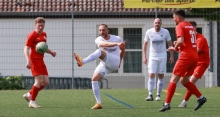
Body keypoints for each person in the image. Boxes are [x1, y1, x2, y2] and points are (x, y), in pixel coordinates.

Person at [159, 10, 207, 112]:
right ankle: (201, 97)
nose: (173, 19)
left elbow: (180, 41)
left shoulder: (179, 26)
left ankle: (167, 103)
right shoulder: (189, 25)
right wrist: (179, 46)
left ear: (177, 17)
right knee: (184, 80)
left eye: (173, 17)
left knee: (174, 79)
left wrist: (175, 47)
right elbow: (187, 42)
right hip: (194, 57)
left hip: (186, 56)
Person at [74, 24, 125, 109]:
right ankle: (99, 103)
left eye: (104, 30)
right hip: (105, 63)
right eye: (100, 30)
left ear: (108, 30)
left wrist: (120, 60)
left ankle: (82, 61)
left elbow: (122, 50)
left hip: (115, 61)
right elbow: (104, 44)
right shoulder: (98, 39)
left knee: (99, 52)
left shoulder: (117, 38)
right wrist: (117, 43)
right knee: (94, 79)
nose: (102, 32)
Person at [23, 17, 57, 108]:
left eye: (42, 25)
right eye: (39, 25)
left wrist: (51, 52)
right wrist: (28, 60)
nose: (41, 27)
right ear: (35, 25)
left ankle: (30, 94)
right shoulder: (32, 35)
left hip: (41, 60)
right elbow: (26, 48)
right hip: (34, 60)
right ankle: (32, 101)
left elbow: (43, 48)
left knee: (46, 82)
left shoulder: (44, 34)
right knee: (39, 81)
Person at [178, 21, 210, 108]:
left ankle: (185, 102)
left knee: (191, 81)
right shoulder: (189, 39)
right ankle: (199, 98)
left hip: (201, 63)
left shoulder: (200, 38)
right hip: (193, 62)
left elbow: (197, 51)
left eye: (190, 28)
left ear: (194, 28)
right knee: (183, 80)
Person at [143, 18, 174, 101]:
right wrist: (144, 56)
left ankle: (158, 95)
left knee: (161, 75)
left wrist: (171, 56)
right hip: (152, 56)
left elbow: (170, 43)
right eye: (156, 23)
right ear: (153, 24)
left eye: (159, 23)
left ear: (161, 24)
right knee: (151, 74)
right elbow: (145, 45)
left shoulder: (165, 32)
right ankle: (150, 95)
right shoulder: (149, 32)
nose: (157, 24)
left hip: (163, 56)